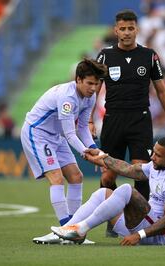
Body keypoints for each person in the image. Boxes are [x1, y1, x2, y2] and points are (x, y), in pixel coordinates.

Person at [92, 10, 165, 236]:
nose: (126, 33)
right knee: (107, 175)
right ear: (116, 31)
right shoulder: (104, 56)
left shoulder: (149, 56)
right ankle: (111, 221)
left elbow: (161, 90)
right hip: (112, 119)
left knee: (140, 172)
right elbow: (94, 89)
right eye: (122, 29)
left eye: (130, 28)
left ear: (137, 30)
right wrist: (88, 120)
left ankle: (137, 222)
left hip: (140, 119)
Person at [20, 59, 107, 244]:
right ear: (78, 80)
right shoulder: (67, 97)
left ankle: (72, 230)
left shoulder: (90, 97)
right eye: (89, 83)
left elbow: (83, 127)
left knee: (76, 177)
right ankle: (65, 229)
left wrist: (94, 150)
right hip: (37, 133)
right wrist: (87, 153)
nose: (93, 88)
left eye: (96, 83)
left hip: (56, 136)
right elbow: (70, 133)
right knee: (56, 178)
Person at [51, 136, 165, 246]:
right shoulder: (156, 166)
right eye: (153, 152)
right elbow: (128, 169)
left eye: (158, 155)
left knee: (126, 189)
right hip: (142, 225)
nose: (152, 157)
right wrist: (101, 156)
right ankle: (66, 230)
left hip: (160, 237)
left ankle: (80, 230)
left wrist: (138, 235)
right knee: (103, 193)